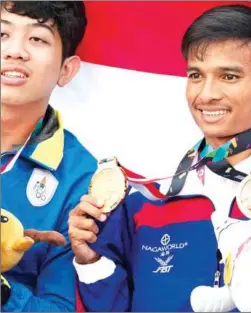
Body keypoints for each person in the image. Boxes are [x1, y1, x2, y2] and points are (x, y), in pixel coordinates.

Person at [69, 4, 251, 312]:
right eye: (196, 75)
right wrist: (90, 260)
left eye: (228, 77)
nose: (206, 94)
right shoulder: (147, 188)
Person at [1, 1, 96, 312]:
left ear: (66, 70)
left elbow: (61, 307)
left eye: (37, 38)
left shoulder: (81, 179)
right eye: (2, 34)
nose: (15, 51)